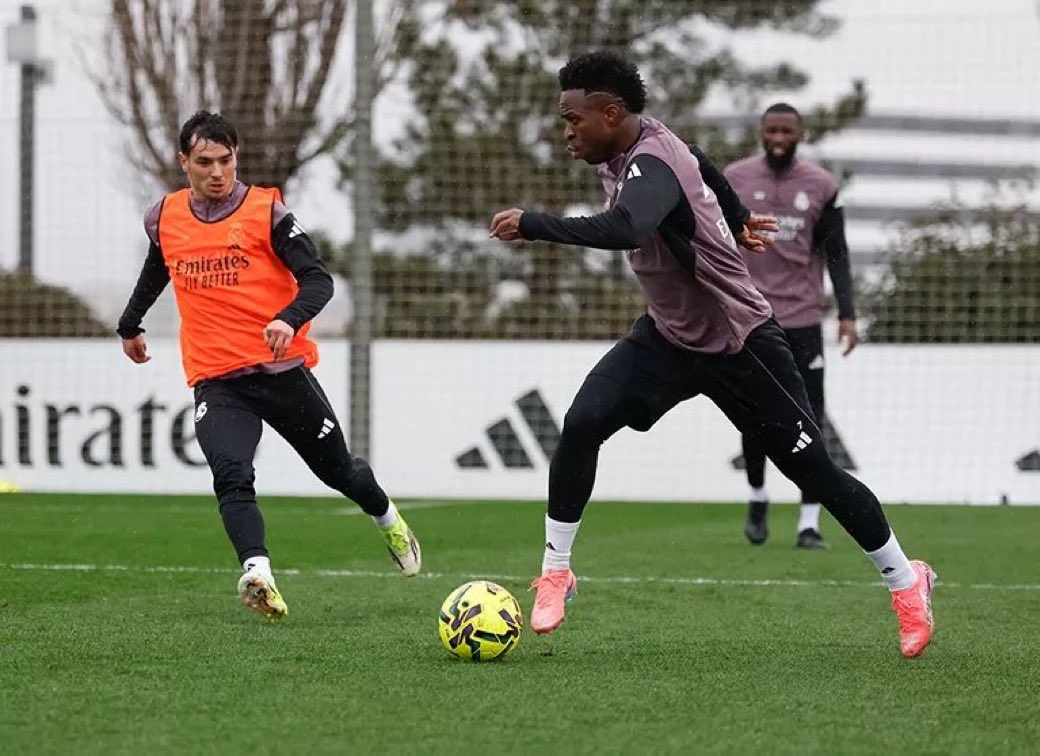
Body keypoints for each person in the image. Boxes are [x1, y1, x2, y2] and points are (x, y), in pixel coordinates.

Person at [489, 51, 936, 658]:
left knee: (814, 472)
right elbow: (700, 158)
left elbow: (627, 228)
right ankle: (557, 572)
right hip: (668, 337)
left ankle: (908, 583)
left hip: (740, 341)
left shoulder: (649, 163)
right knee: (582, 423)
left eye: (573, 119)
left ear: (611, 113)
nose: (566, 130)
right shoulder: (645, 143)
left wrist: (533, 224)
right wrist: (737, 212)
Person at [116, 110, 421, 622]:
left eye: (227, 160)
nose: (218, 172)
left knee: (340, 471)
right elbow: (158, 266)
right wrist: (131, 324)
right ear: (183, 162)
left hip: (282, 374)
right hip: (218, 381)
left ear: (237, 158)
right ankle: (258, 573)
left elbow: (318, 280)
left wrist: (288, 318)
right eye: (205, 162)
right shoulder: (164, 218)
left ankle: (387, 517)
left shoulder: (268, 213)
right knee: (231, 475)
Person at [724, 102, 859, 550]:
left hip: (802, 319)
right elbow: (713, 237)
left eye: (786, 130)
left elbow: (836, 253)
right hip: (750, 317)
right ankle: (758, 498)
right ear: (761, 133)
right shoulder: (736, 178)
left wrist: (847, 313)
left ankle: (808, 522)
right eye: (771, 130)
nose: (778, 137)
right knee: (753, 414)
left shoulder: (821, 185)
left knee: (809, 416)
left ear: (799, 135)